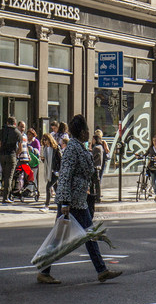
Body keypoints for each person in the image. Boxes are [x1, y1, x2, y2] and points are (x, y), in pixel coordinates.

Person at [37, 114, 121, 285]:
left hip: (78, 199)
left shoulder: (78, 147)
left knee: (87, 234)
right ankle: (45, 271)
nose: (89, 132)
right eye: (86, 130)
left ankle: (101, 270)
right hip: (71, 201)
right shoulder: (72, 149)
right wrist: (65, 203)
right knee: (70, 236)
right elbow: (66, 176)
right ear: (81, 132)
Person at [0, 115, 20, 203]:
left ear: (7, 123)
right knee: (9, 176)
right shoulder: (17, 132)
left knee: (4, 174)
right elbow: (20, 147)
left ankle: (4, 193)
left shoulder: (2, 131)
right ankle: (5, 197)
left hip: (2, 154)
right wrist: (16, 154)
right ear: (15, 123)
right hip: (11, 155)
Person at [41, 132, 61, 209]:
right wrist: (43, 160)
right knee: (56, 188)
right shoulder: (45, 149)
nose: (45, 142)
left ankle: (47, 205)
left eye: (46, 140)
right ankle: (60, 203)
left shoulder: (55, 148)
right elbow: (47, 161)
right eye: (44, 140)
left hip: (55, 171)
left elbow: (60, 160)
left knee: (48, 187)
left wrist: (59, 170)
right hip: (50, 171)